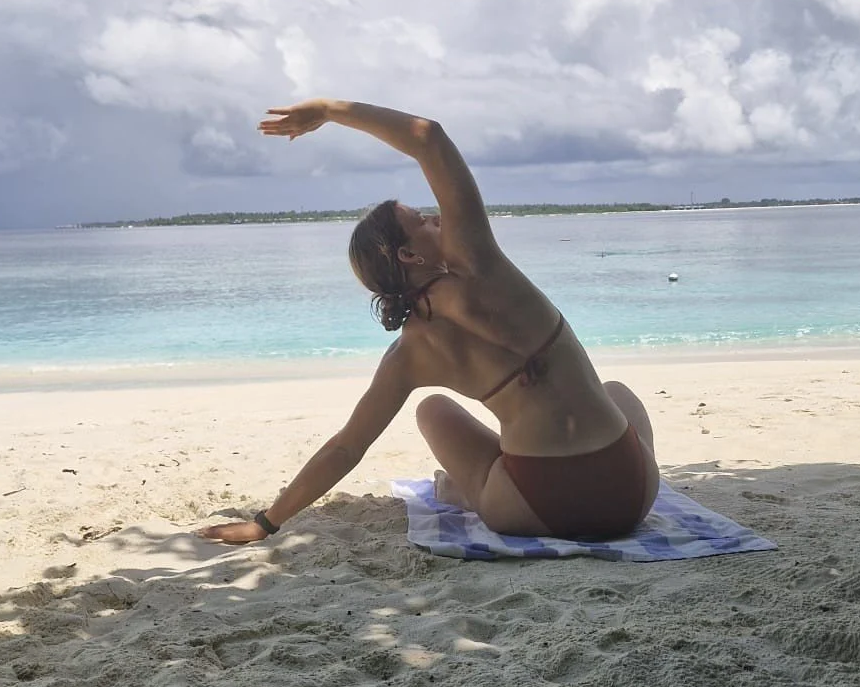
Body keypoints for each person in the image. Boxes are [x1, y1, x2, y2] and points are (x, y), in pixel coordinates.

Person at [198, 102, 660, 546]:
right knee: (617, 393)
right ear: (408, 254)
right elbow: (429, 139)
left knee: (431, 410)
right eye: (423, 220)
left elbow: (346, 448)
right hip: (628, 497)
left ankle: (465, 492)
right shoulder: (482, 270)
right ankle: (490, 478)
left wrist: (265, 523)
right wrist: (329, 110)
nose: (438, 218)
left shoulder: (409, 355)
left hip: (534, 509)